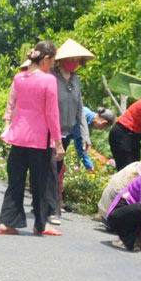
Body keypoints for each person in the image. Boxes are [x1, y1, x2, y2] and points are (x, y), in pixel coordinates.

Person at [0, 41, 63, 237]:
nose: (53, 66)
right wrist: (58, 142)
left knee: (15, 182)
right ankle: (40, 225)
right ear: (45, 59)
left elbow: (12, 105)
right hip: (39, 139)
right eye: (53, 61)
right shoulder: (49, 80)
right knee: (40, 183)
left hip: (18, 137)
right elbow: (52, 113)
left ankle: (7, 223)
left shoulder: (19, 78)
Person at [47, 39, 92, 224]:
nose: (74, 62)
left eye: (77, 59)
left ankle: (48, 206)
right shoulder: (51, 77)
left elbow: (80, 109)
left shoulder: (76, 80)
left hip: (66, 132)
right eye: (71, 59)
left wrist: (85, 136)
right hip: (49, 131)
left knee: (56, 169)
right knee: (48, 169)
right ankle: (51, 209)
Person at [69, 106, 115, 172]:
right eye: (102, 127)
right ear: (103, 122)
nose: (99, 129)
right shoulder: (83, 114)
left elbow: (80, 146)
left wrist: (88, 165)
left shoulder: (86, 126)